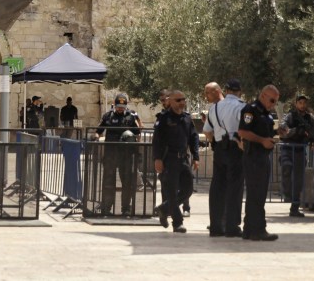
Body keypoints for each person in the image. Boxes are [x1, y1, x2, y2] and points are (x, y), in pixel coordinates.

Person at [153, 90, 199, 233]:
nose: (182, 103)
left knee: (188, 189)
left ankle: (164, 208)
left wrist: (196, 156)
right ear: (171, 101)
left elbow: (194, 137)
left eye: (183, 99)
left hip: (183, 159)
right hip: (169, 159)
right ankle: (177, 223)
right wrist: (158, 159)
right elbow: (157, 140)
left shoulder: (186, 118)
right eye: (178, 100)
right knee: (171, 192)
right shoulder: (164, 118)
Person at [204, 80, 245, 238]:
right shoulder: (241, 106)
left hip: (220, 148)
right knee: (235, 187)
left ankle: (215, 225)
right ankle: (231, 226)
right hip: (236, 148)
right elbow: (243, 129)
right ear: (239, 92)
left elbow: (207, 131)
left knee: (217, 187)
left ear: (226, 90)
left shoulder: (214, 108)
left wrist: (215, 143)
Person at [238, 84, 280, 241]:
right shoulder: (251, 110)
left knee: (258, 194)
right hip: (254, 157)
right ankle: (258, 229)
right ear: (262, 95)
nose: (273, 104)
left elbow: (264, 132)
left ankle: (249, 229)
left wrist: (276, 133)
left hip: (262, 157)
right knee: (256, 194)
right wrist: (262, 141)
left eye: (275, 101)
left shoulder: (266, 114)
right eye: (272, 100)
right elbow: (242, 131)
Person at [96, 93, 142, 216]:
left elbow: (138, 133)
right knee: (108, 181)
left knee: (127, 182)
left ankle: (126, 208)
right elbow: (98, 131)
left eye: (122, 106)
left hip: (126, 155)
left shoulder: (131, 117)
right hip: (111, 153)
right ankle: (106, 208)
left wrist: (138, 120)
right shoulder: (107, 116)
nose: (120, 109)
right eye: (118, 106)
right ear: (115, 106)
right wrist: (94, 138)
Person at [278, 94, 314, 217]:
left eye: (304, 103)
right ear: (296, 104)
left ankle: (294, 207)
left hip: (299, 151)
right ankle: (287, 194)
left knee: (298, 180)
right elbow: (283, 130)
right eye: (300, 103)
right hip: (288, 149)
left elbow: (313, 133)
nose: (303, 105)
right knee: (286, 168)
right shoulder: (290, 116)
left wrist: (312, 141)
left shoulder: (310, 118)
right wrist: (296, 131)